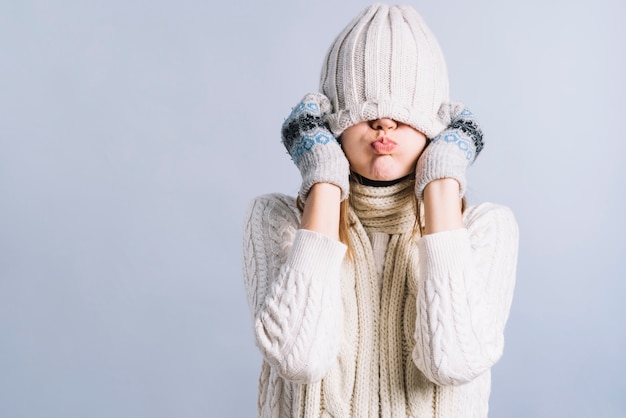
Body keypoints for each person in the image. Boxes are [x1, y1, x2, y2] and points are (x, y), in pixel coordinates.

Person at [242, 3, 519, 417]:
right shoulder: (276, 220)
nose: (385, 123)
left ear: (435, 128)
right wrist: (323, 180)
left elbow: (455, 361)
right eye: (365, 107)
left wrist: (442, 183)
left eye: (407, 112)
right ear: (331, 123)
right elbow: (299, 358)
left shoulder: (486, 228)